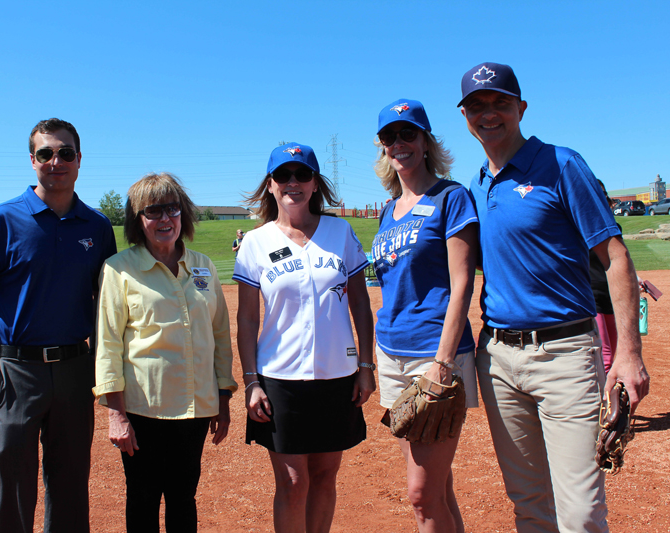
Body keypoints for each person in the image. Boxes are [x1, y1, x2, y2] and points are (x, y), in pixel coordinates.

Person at [458, 62, 650, 532]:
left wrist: (628, 354)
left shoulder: (561, 164)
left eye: (500, 102)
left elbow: (615, 257)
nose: (489, 113)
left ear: (521, 108)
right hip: (498, 359)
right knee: (528, 503)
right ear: (464, 116)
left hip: (564, 354)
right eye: (477, 105)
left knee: (581, 512)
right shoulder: (477, 185)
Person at [0, 118, 117, 533]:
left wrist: (104, 367)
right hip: (15, 371)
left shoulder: (97, 227)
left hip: (75, 368)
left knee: (70, 483)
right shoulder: (1, 220)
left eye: (65, 153)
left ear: (79, 159)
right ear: (32, 161)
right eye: (46, 153)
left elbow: (108, 302)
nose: (56, 161)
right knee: (12, 480)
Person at [234, 142, 376, 533]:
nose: (292, 182)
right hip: (280, 378)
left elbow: (361, 306)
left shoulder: (340, 231)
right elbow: (247, 319)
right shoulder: (256, 242)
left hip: (337, 375)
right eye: (283, 175)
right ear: (270, 185)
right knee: (294, 482)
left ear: (316, 184)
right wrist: (251, 382)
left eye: (302, 174)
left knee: (326, 476)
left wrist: (365, 366)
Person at [94, 172, 237, 533]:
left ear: (183, 214)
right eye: (152, 211)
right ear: (137, 221)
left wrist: (223, 397)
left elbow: (219, 334)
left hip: (194, 409)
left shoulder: (203, 266)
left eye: (171, 209)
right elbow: (108, 342)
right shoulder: (119, 270)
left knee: (183, 498)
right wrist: (116, 415)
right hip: (143, 410)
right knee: (142, 499)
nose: (164, 219)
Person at [371, 99, 479, 533]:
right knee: (438, 488)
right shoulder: (388, 210)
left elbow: (462, 285)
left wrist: (442, 362)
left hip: (433, 357)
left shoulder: (451, 198)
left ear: (426, 140)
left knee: (420, 495)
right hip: (392, 355)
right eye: (389, 137)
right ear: (382, 148)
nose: (399, 144)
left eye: (409, 133)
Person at [589, 180, 621, 373]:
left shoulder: (614, 228)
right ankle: (603, 401)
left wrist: (634, 279)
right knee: (605, 356)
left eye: (603, 194)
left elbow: (619, 261)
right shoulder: (580, 229)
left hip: (611, 295)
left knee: (612, 351)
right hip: (592, 297)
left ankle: (605, 398)